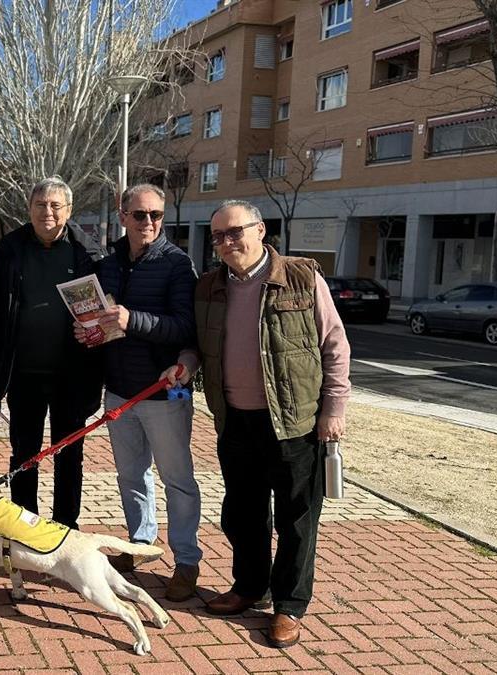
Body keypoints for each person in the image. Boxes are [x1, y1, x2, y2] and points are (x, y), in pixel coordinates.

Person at [178, 199, 350, 648]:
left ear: (260, 230)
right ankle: (250, 587)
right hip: (234, 419)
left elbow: (335, 345)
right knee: (242, 512)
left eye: (234, 232)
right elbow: (200, 345)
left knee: (296, 519)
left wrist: (334, 408)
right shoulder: (209, 286)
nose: (226, 243)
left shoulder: (300, 277)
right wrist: (184, 363)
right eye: (218, 236)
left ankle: (289, 606)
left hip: (294, 422)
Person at [78, 184, 203, 601]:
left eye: (156, 215)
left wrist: (133, 320)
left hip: (162, 394)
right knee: (131, 477)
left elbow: (185, 327)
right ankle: (141, 543)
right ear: (123, 215)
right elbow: (102, 322)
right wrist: (90, 332)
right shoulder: (108, 264)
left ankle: (186, 561)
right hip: (118, 391)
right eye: (139, 215)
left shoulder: (177, 264)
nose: (148, 222)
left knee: (177, 481)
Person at [0, 176, 104, 530]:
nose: (47, 212)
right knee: (24, 454)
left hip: (72, 374)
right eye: (40, 205)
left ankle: (66, 525)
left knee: (69, 454)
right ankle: (25, 525)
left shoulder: (88, 252)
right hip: (23, 373)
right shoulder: (9, 249)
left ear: (69, 210)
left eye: (55, 205)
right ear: (29, 209)